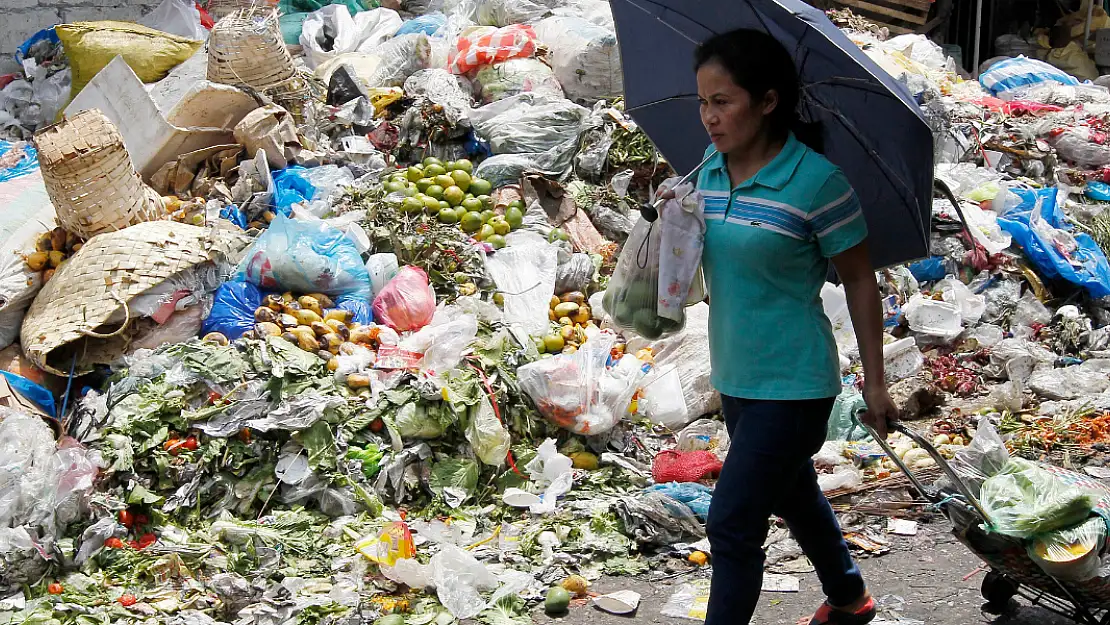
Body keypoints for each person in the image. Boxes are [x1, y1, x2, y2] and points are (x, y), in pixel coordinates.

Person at [692, 29, 900, 625]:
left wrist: (877, 383)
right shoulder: (708, 169)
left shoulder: (817, 183)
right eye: (702, 102)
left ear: (768, 100)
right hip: (735, 374)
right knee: (791, 491)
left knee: (732, 523)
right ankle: (849, 596)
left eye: (723, 101)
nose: (709, 117)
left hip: (796, 384)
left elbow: (861, 280)